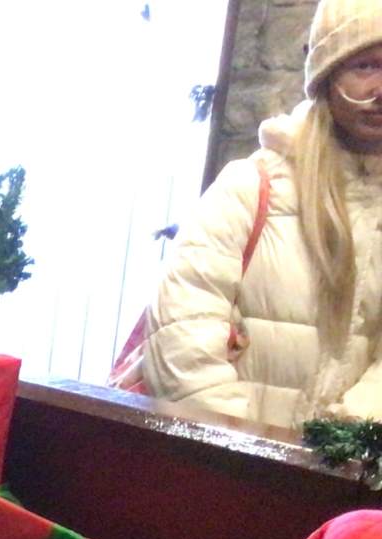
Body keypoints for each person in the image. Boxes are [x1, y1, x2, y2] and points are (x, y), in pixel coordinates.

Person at [139, 0, 382, 424]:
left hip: (341, 467)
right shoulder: (249, 188)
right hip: (225, 458)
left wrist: (344, 442)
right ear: (327, 75)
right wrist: (242, 444)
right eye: (365, 66)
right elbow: (183, 334)